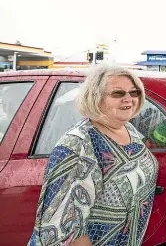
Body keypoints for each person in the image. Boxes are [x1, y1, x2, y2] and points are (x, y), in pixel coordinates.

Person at [28, 64, 159, 246]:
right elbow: (67, 229)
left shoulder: (129, 129)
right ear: (96, 98)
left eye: (134, 92)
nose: (128, 99)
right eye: (118, 93)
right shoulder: (79, 144)